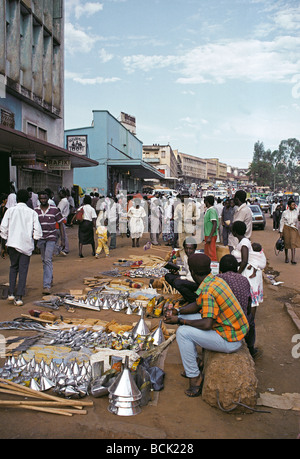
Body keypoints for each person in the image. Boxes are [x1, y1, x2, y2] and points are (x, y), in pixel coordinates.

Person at [164, 253, 249, 397]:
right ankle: (195, 361)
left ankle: (195, 378)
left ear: (192, 271)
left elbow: (207, 323)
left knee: (183, 333)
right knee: (184, 319)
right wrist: (178, 312)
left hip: (230, 339)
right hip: (229, 328)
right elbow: (198, 305)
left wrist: (179, 320)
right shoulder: (214, 281)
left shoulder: (209, 289)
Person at [0, 189, 42, 305]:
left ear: (17, 198)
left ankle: (11, 293)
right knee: (23, 270)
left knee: (13, 267)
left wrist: (5, 241)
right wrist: (34, 241)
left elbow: (3, 228)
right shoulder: (32, 213)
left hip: (12, 244)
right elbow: (38, 231)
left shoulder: (10, 211)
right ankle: (19, 297)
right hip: (26, 245)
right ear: (27, 199)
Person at [218, 254, 260, 359]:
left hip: (225, 322)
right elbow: (249, 304)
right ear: (236, 268)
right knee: (251, 322)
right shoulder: (244, 280)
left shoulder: (217, 280)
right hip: (242, 322)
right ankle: (251, 349)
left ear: (220, 269)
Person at [231, 221, 266, 317]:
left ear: (235, 232)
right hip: (248, 270)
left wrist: (237, 274)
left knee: (252, 297)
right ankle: (249, 318)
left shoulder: (244, 243)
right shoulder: (243, 241)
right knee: (250, 296)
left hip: (248, 272)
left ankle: (250, 321)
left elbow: (244, 260)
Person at [35, 191, 65, 294]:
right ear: (39, 199)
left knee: (47, 259)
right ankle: (50, 278)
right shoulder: (35, 211)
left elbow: (61, 224)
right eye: (41, 199)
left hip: (51, 238)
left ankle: (46, 285)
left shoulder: (54, 210)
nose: (43, 200)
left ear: (48, 199)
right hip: (41, 238)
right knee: (44, 260)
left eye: (44, 198)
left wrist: (63, 239)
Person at [165, 237, 199, 303]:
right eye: (186, 248)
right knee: (168, 276)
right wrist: (179, 273)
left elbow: (195, 278)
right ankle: (186, 296)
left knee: (177, 282)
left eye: (190, 249)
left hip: (196, 282)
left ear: (194, 249)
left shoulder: (196, 260)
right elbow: (187, 272)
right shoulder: (186, 257)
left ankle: (193, 300)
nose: (188, 251)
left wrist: (181, 278)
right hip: (188, 279)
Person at [279, 198, 300, 264]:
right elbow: (282, 221)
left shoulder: (296, 212)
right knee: (286, 243)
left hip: (293, 228)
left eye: (294, 205)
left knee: (293, 243)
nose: (294, 206)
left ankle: (293, 259)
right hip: (286, 228)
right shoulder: (285, 212)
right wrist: (281, 231)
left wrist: (297, 228)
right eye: (292, 205)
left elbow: (297, 221)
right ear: (289, 205)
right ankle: (286, 257)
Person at [203, 195, 218, 261]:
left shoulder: (212, 210)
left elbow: (214, 223)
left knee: (211, 253)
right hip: (208, 235)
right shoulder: (208, 210)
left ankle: (214, 267)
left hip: (210, 235)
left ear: (207, 202)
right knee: (207, 252)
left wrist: (210, 237)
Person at [56, 189, 70, 255]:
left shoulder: (63, 201)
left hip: (61, 218)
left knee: (62, 234)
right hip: (63, 218)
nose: (59, 195)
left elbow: (59, 210)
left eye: (61, 193)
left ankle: (65, 248)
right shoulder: (65, 201)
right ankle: (62, 248)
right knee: (62, 234)